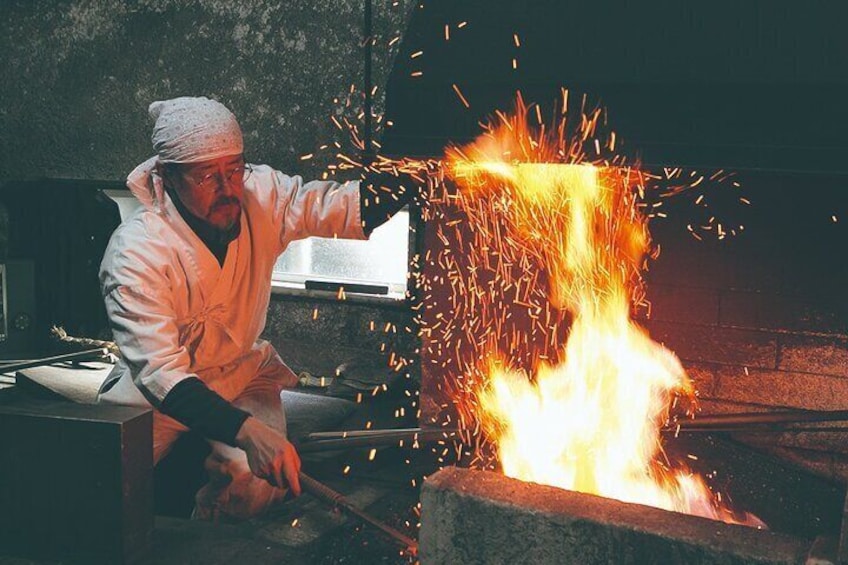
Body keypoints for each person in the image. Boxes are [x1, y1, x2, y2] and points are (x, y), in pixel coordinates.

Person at [97, 96, 414, 519]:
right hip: (156, 391)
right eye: (207, 176)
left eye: (234, 169)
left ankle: (214, 547)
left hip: (242, 372)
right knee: (97, 479)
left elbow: (339, 207)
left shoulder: (259, 193)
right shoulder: (135, 253)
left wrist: (425, 175)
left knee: (255, 477)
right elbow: (161, 374)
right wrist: (247, 430)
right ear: (167, 176)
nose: (228, 189)